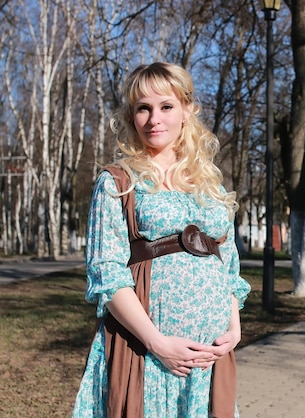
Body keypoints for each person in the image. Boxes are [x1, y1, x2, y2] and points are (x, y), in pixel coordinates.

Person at [72, 62, 250, 417]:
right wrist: (158, 344)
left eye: (166, 106)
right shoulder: (118, 181)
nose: (155, 118)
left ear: (186, 111)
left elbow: (228, 267)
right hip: (147, 354)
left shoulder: (210, 185)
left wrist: (234, 327)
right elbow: (107, 274)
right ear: (131, 116)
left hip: (208, 359)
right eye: (143, 108)